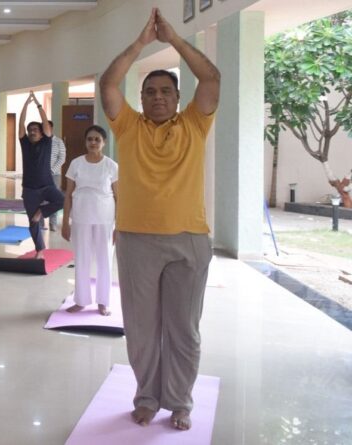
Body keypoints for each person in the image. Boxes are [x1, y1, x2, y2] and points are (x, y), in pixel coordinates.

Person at [100, 8, 220, 431]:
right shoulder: (128, 127)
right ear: (142, 98)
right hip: (136, 241)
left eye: (165, 91)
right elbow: (108, 84)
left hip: (190, 239)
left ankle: (180, 402)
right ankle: (147, 397)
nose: (156, 97)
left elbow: (211, 79)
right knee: (142, 330)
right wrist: (139, 45)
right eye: (149, 91)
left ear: (177, 97)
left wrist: (174, 41)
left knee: (184, 330)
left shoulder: (195, 123)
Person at [61, 125, 117, 316]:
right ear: (85, 142)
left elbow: (119, 197)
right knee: (82, 259)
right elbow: (68, 195)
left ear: (104, 143)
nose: (93, 142)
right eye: (90, 139)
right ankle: (81, 300)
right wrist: (65, 222)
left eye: (97, 139)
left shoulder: (111, 166)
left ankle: (103, 301)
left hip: (105, 219)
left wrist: (120, 226)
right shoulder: (76, 164)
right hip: (81, 217)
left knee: (104, 260)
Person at [18, 91, 64, 259]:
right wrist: (25, 105)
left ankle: (42, 211)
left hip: (47, 186)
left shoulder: (47, 142)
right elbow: (21, 123)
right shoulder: (24, 143)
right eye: (30, 130)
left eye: (35, 130)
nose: (32, 132)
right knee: (33, 223)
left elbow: (45, 122)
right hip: (29, 189)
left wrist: (37, 104)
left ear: (42, 132)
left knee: (62, 200)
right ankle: (40, 250)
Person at [47, 120, 66, 231]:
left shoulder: (58, 142)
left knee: (54, 199)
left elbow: (62, 158)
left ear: (52, 128)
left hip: (55, 174)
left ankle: (52, 223)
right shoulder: (40, 141)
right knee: (40, 199)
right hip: (40, 175)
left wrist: (52, 170)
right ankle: (39, 223)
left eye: (47, 127)